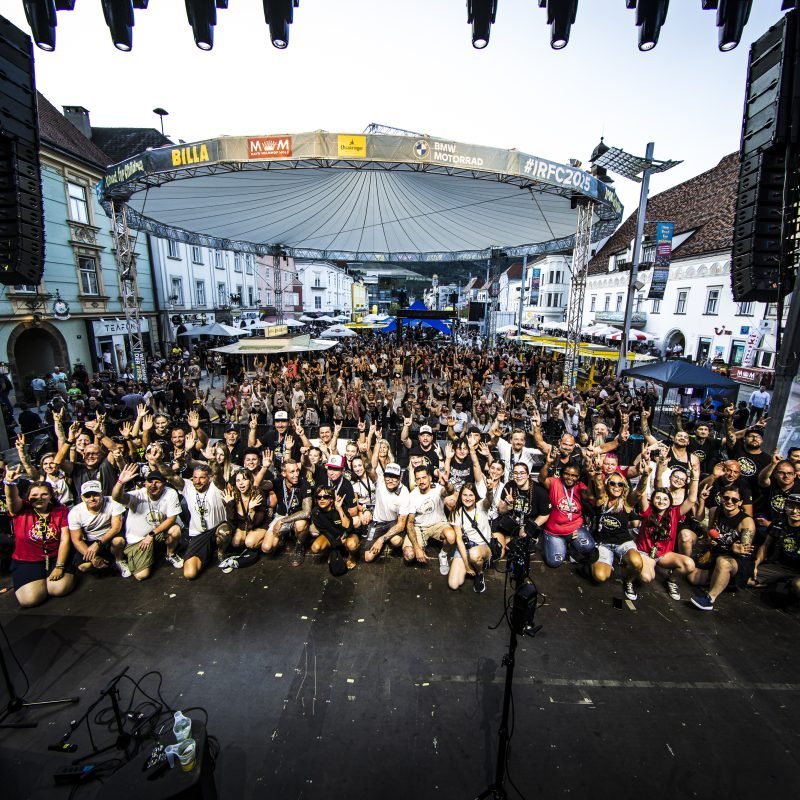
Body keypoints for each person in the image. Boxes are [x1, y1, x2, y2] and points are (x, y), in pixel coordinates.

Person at [4, 466, 74, 607]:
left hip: (54, 557)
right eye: (34, 495)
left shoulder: (60, 510)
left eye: (44, 494)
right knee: (30, 600)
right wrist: (10, 484)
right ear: (28, 496)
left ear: (51, 496)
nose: (39, 498)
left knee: (58, 589)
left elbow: (64, 539)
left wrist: (59, 566)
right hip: (27, 560)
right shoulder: (21, 508)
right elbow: (12, 499)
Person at [688, 484, 755, 610]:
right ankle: (723, 580)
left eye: (734, 500)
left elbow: (744, 552)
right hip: (718, 552)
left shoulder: (746, 522)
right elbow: (710, 533)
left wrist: (732, 549)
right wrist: (712, 541)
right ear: (721, 498)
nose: (729, 502)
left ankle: (710, 599)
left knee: (723, 562)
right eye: (726, 498)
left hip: (737, 560)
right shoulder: (714, 511)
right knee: (693, 578)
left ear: (740, 502)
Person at [112, 465, 183, 580]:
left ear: (164, 484)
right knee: (141, 575)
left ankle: (170, 554)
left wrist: (151, 535)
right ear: (145, 483)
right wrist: (120, 482)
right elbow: (116, 497)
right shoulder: (138, 495)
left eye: (157, 482)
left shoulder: (170, 493)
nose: (153, 485)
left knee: (175, 530)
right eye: (150, 482)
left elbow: (171, 519)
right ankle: (125, 558)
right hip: (138, 539)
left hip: (155, 534)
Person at [538, 449, 596, 568]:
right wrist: (548, 463)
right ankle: (560, 544)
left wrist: (590, 478)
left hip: (574, 529)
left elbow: (589, 496)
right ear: (562, 474)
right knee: (554, 562)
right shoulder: (555, 482)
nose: (570, 478)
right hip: (554, 532)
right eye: (567, 474)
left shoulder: (580, 486)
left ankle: (572, 545)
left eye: (574, 476)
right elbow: (541, 479)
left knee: (588, 547)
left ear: (578, 477)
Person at [449, 482, 500, 593]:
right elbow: (459, 540)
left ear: (475, 496)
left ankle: (480, 573)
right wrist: (466, 565)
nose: (468, 498)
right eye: (465, 495)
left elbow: (489, 499)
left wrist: (489, 490)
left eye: (471, 495)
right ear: (460, 496)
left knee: (474, 554)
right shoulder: (457, 513)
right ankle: (470, 563)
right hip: (466, 547)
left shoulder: (481, 505)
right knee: (454, 584)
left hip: (482, 546)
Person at [67, 480, 126, 574]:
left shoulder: (113, 502)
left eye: (95, 495)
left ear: (102, 493)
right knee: (83, 567)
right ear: (82, 498)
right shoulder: (75, 512)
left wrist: (98, 543)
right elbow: (77, 540)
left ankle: (119, 560)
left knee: (118, 541)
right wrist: (93, 558)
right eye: (87, 496)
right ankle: (106, 564)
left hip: (110, 536)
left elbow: (116, 528)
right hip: (90, 540)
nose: (92, 498)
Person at [405, 465, 457, 570]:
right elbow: (409, 523)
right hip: (420, 527)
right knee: (409, 555)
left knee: (451, 536)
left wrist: (447, 484)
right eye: (418, 479)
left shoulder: (437, 488)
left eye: (424, 477)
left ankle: (443, 554)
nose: (421, 481)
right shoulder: (412, 496)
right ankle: (421, 547)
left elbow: (450, 491)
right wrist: (417, 548)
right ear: (415, 481)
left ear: (430, 478)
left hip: (438, 524)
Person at [263, 459, 313, 566]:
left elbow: (307, 512)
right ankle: (284, 537)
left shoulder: (304, 484)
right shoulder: (277, 482)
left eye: (297, 471)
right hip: (281, 515)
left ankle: (299, 546)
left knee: (301, 525)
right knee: (267, 548)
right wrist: (264, 468)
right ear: (284, 473)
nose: (296, 474)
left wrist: (282, 521)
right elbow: (257, 486)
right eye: (292, 472)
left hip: (297, 517)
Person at [219, 468, 268, 573]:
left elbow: (258, 522)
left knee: (250, 542)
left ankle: (259, 544)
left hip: (258, 526)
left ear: (250, 481)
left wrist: (251, 509)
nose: (241, 483)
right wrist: (230, 504)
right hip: (243, 526)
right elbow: (232, 521)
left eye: (244, 479)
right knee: (235, 542)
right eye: (238, 480)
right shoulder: (234, 495)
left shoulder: (258, 494)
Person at [362, 463, 411, 563]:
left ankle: (386, 541)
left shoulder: (404, 492)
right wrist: (363, 455)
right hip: (377, 523)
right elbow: (369, 468)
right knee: (368, 557)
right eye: (388, 477)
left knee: (396, 541)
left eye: (394, 477)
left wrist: (380, 540)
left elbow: (401, 525)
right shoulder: (379, 482)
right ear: (384, 477)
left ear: (400, 478)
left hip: (393, 523)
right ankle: (384, 541)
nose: (390, 480)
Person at [308, 486, 360, 570]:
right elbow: (325, 531)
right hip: (332, 536)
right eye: (319, 497)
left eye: (325, 497)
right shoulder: (315, 512)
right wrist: (337, 542)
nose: (322, 499)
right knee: (315, 547)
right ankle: (331, 551)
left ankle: (352, 556)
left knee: (352, 545)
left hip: (347, 535)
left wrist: (339, 509)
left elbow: (349, 528)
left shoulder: (340, 506)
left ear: (331, 499)